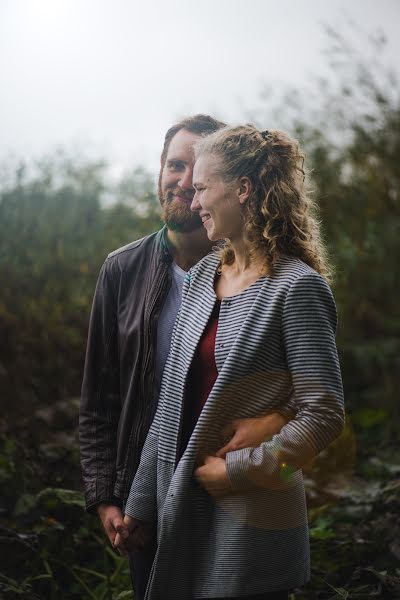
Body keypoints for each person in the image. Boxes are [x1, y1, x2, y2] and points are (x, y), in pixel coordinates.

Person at [116, 125, 345, 599]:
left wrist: (241, 472)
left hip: (252, 523)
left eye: (201, 188)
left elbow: (324, 415)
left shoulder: (296, 288)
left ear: (243, 190)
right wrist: (140, 505)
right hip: (180, 502)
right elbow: (170, 404)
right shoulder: (202, 275)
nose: (193, 202)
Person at [79, 116, 297, 600]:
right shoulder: (121, 270)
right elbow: (99, 400)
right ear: (160, 171)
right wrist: (107, 498)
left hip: (237, 502)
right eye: (175, 166)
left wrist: (276, 424)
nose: (184, 184)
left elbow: (312, 397)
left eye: (197, 173)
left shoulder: (270, 277)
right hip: (149, 502)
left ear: (228, 186)